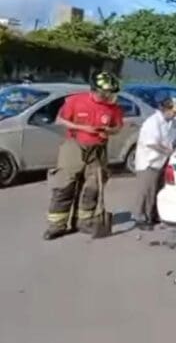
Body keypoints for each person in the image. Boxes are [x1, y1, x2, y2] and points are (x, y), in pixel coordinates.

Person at [43, 71, 124, 240]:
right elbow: (60, 120)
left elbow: (118, 127)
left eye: (110, 93)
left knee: (92, 187)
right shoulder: (76, 101)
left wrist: (109, 131)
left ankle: (84, 221)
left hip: (98, 149)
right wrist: (83, 128)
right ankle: (57, 225)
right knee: (65, 185)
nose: (109, 96)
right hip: (74, 146)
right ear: (95, 90)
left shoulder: (113, 108)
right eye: (106, 93)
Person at [133, 97, 176, 231]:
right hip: (149, 162)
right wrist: (168, 151)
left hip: (161, 161)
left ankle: (152, 215)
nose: (175, 114)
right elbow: (152, 143)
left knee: (157, 191)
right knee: (146, 191)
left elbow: (173, 139)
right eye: (173, 111)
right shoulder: (153, 122)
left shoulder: (170, 122)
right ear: (165, 109)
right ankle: (139, 217)